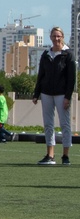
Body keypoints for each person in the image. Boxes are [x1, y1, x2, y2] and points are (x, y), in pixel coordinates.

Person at [34, 27, 74, 166]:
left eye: (59, 36)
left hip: (62, 94)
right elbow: (41, 74)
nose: (56, 39)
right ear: (50, 37)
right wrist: (36, 93)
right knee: (48, 124)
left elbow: (71, 78)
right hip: (46, 93)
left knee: (65, 124)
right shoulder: (46, 54)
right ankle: (50, 155)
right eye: (54, 36)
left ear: (62, 37)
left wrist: (68, 97)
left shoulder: (68, 54)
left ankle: (65, 155)